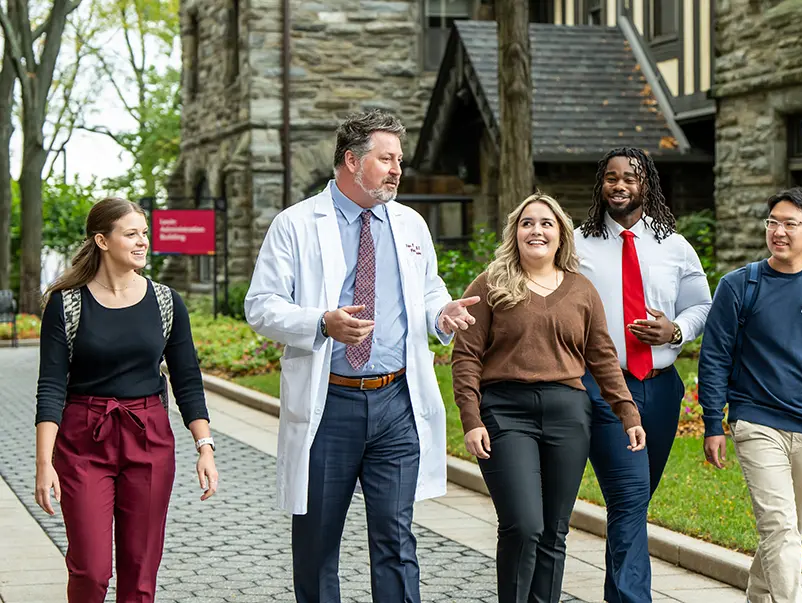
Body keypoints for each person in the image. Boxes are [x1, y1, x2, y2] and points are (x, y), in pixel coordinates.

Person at [244, 109, 479, 603]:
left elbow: (428, 288)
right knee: (317, 542)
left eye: (399, 159)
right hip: (330, 404)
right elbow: (261, 306)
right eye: (386, 158)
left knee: (396, 541)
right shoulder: (296, 224)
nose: (397, 169)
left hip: (396, 401)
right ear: (351, 161)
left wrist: (442, 314)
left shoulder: (411, 224)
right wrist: (320, 323)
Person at [452, 192, 646, 603]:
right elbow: (465, 355)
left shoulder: (581, 290)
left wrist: (627, 412)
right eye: (527, 223)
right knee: (523, 524)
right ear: (515, 233)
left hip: (568, 413)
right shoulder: (491, 284)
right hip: (505, 412)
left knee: (554, 530)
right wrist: (471, 418)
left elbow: (602, 357)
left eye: (546, 223)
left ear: (561, 234)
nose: (536, 230)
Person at [34, 197, 219, 603]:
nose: (142, 242)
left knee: (140, 571)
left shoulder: (167, 302)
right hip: (84, 440)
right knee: (91, 569)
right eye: (131, 234)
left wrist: (204, 446)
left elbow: (187, 380)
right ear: (102, 240)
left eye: (145, 234)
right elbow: (50, 385)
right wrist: (44, 462)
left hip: (149, 437)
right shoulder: (67, 303)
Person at [698, 187, 802, 603]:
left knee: (791, 530)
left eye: (790, 223)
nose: (778, 231)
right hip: (756, 422)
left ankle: (758, 598)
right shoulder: (739, 286)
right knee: (778, 526)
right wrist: (712, 423)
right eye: (773, 222)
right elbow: (714, 357)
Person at [574, 147, 712, 603]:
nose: (619, 185)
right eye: (610, 177)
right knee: (630, 495)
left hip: (661, 389)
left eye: (629, 178)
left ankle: (619, 593)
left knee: (631, 502)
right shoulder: (576, 244)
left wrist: (675, 330)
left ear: (646, 185)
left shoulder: (673, 245)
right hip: (605, 388)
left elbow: (701, 306)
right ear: (601, 186)